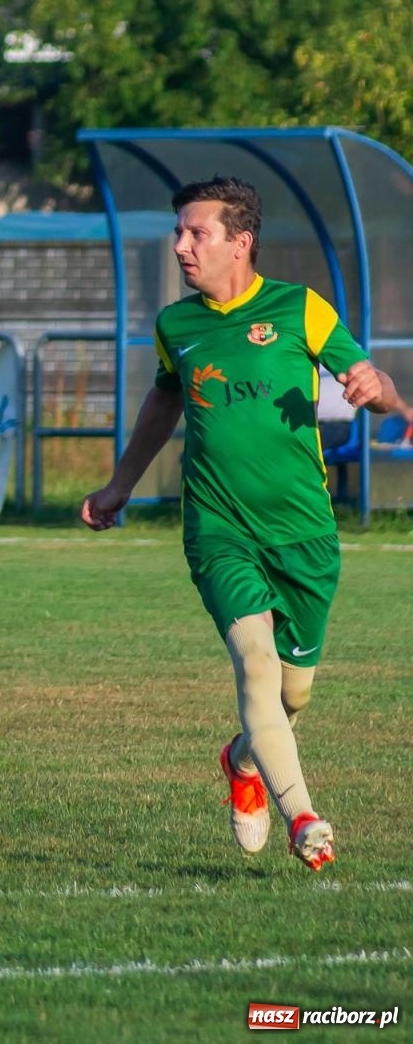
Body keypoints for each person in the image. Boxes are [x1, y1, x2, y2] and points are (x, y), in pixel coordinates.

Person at [81, 176, 401, 871]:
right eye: (178, 232)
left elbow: (373, 382)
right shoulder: (178, 325)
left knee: (292, 694)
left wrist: (379, 393)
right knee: (255, 667)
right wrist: (119, 486)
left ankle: (242, 760)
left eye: (197, 233)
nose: (181, 246)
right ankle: (306, 819)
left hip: (306, 535)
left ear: (241, 242)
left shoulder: (299, 310)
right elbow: (163, 407)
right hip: (218, 528)